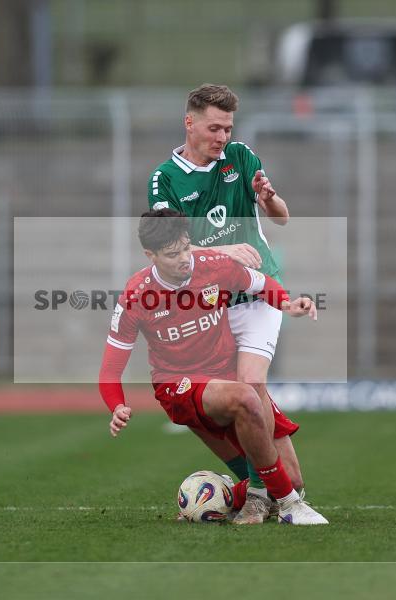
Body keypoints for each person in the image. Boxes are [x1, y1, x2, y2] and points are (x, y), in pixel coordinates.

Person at [98, 209, 328, 525]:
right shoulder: (136, 296)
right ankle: (290, 506)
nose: (183, 259)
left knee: (293, 478)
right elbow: (110, 370)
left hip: (225, 378)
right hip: (179, 388)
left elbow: (261, 284)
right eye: (171, 254)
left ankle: (218, 498)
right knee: (247, 397)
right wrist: (117, 406)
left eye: (185, 248)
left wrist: (287, 303)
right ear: (149, 255)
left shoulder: (214, 267)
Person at [147, 83, 302, 523]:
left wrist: (269, 196)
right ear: (189, 122)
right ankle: (266, 480)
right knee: (203, 405)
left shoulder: (241, 157)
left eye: (228, 128)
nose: (222, 138)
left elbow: (282, 217)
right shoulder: (165, 179)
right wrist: (221, 253)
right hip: (208, 302)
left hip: (256, 290)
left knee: (250, 385)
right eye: (214, 128)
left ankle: (257, 493)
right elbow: (167, 246)